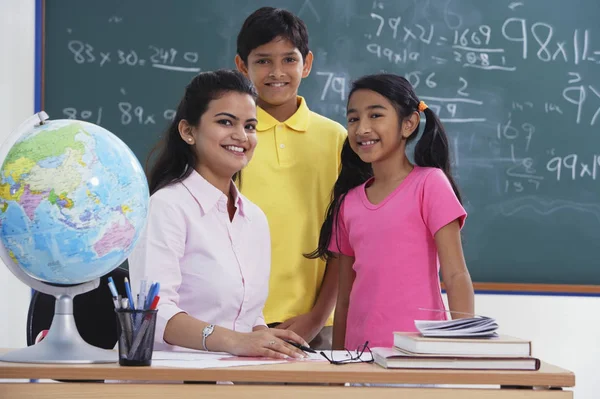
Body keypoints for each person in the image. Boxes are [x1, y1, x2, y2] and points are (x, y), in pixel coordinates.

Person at [128, 69, 308, 359]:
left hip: (234, 380)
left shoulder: (255, 219)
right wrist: (235, 341)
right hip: (171, 381)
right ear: (188, 131)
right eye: (226, 122)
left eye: (250, 126)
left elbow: (244, 313)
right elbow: (154, 312)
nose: (241, 136)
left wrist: (262, 335)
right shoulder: (166, 207)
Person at [307, 73, 475, 351]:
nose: (361, 128)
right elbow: (345, 299)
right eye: (353, 119)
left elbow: (456, 276)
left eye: (375, 116)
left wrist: (464, 351)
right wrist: (337, 373)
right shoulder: (347, 203)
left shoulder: (429, 184)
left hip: (419, 356)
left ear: (408, 123)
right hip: (360, 357)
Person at [233, 7, 347, 348]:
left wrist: (316, 316)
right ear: (242, 66)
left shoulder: (337, 139)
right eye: (263, 61)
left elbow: (346, 240)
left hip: (318, 322)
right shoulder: (231, 138)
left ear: (307, 63)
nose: (277, 72)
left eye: (289, 60)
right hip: (237, 322)